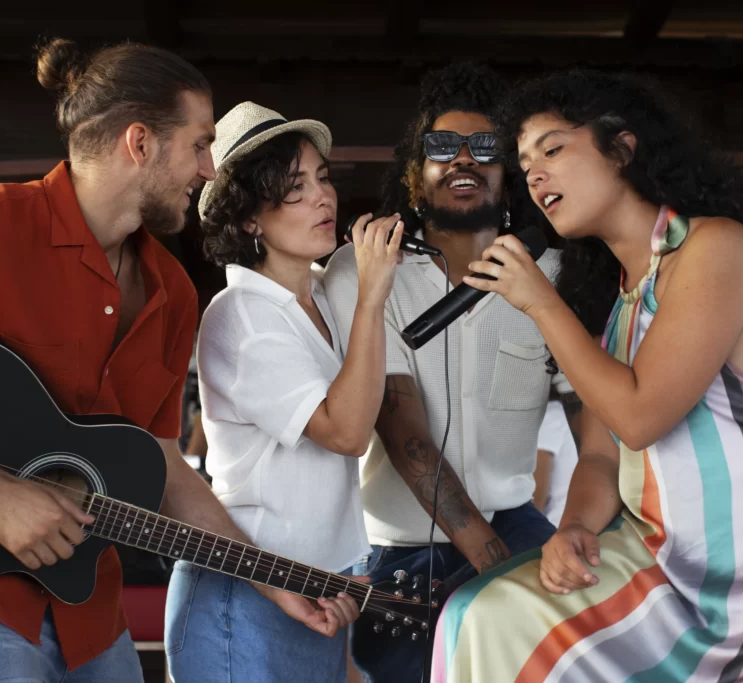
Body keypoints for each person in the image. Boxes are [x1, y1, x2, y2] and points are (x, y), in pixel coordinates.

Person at [0, 40, 356, 683]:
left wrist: (269, 580)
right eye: (199, 145)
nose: (207, 170)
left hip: (90, 605)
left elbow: (164, 467)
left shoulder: (171, 293)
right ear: (139, 143)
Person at [432, 68, 743, 682]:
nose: (532, 175)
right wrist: (577, 527)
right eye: (525, 162)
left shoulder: (715, 249)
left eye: (553, 149)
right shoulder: (617, 308)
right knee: (478, 616)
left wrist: (539, 303)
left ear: (622, 148)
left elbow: (639, 418)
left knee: (488, 617)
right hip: (675, 564)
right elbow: (601, 457)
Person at [323, 62, 568, 683]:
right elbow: (408, 443)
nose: (464, 160)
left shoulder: (557, 275)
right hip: (405, 551)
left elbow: (597, 412)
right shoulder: (365, 271)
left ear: (508, 169)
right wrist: (498, 566)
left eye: (485, 147)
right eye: (442, 147)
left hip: (518, 524)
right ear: (416, 172)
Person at [164, 101, 402, 683]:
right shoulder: (242, 313)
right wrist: (372, 295)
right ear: (249, 219)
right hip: (240, 594)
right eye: (295, 189)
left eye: (323, 178)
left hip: (317, 587)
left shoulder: (324, 295)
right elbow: (346, 432)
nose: (324, 197)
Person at [532, 396, 579, 527]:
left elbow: (535, 498)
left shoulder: (548, 415)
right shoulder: (562, 414)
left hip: (552, 532)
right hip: (570, 531)